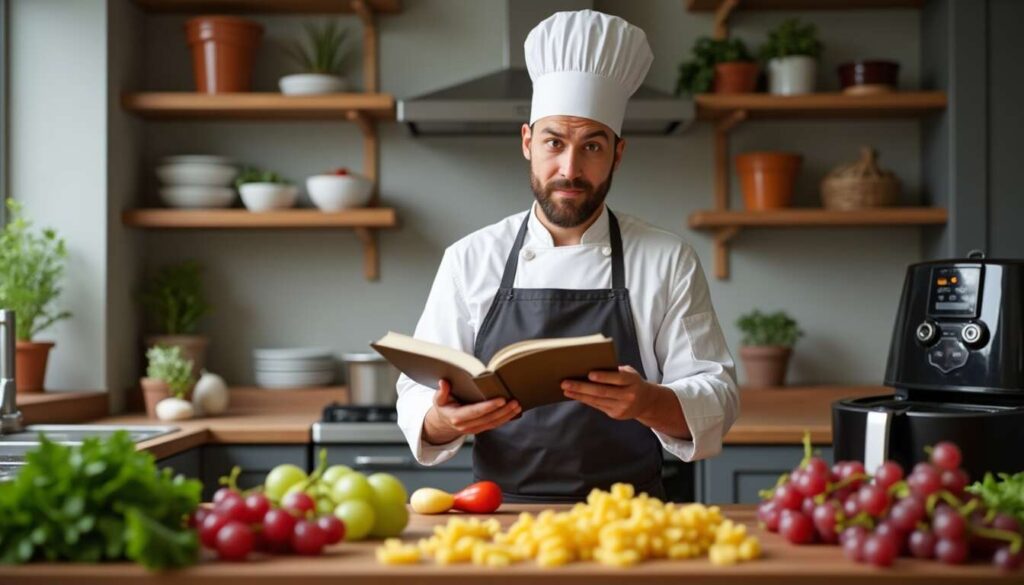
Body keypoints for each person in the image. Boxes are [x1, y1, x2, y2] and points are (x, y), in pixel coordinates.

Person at [396, 10, 738, 502]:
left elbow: (718, 396)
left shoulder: (666, 259)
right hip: (498, 518)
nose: (569, 169)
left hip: (629, 521)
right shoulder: (470, 258)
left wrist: (648, 400)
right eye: (554, 142)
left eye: (592, 146)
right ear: (528, 142)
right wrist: (441, 419)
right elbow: (416, 393)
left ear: (618, 154)